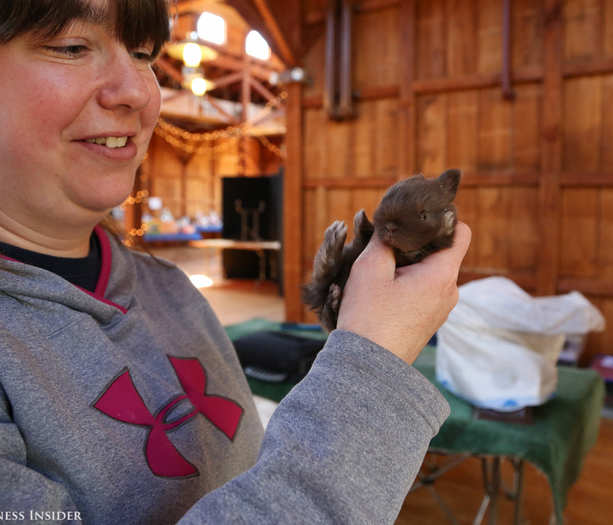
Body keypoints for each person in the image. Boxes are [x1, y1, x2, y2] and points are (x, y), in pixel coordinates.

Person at [0, 0, 471, 523]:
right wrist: (373, 362)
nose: (137, 89)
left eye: (143, 53)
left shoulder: (171, 289)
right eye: (71, 46)